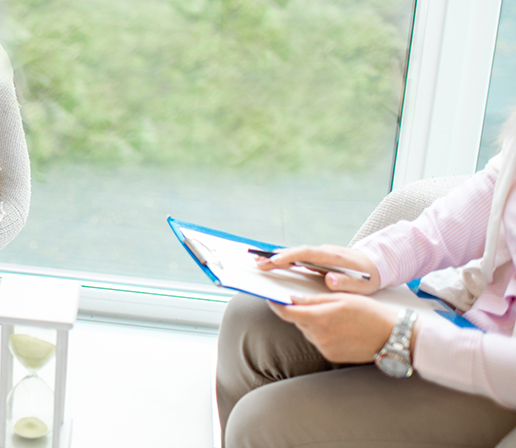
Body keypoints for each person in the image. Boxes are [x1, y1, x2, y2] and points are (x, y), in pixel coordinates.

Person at [216, 123, 516, 448]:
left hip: (501, 376)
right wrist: (364, 262)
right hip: (469, 319)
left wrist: (406, 338)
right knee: (252, 319)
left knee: (262, 422)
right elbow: (458, 219)